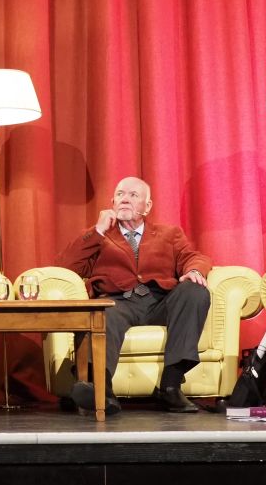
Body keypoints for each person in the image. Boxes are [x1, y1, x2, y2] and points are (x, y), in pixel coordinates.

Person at [58, 176, 212, 415]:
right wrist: (97, 230)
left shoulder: (169, 233)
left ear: (147, 206)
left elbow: (194, 257)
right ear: (112, 203)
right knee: (103, 314)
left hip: (160, 301)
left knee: (195, 290)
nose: (125, 199)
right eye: (120, 194)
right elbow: (66, 267)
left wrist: (194, 271)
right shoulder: (100, 237)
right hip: (117, 302)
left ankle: (170, 386)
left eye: (133, 195)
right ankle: (102, 392)